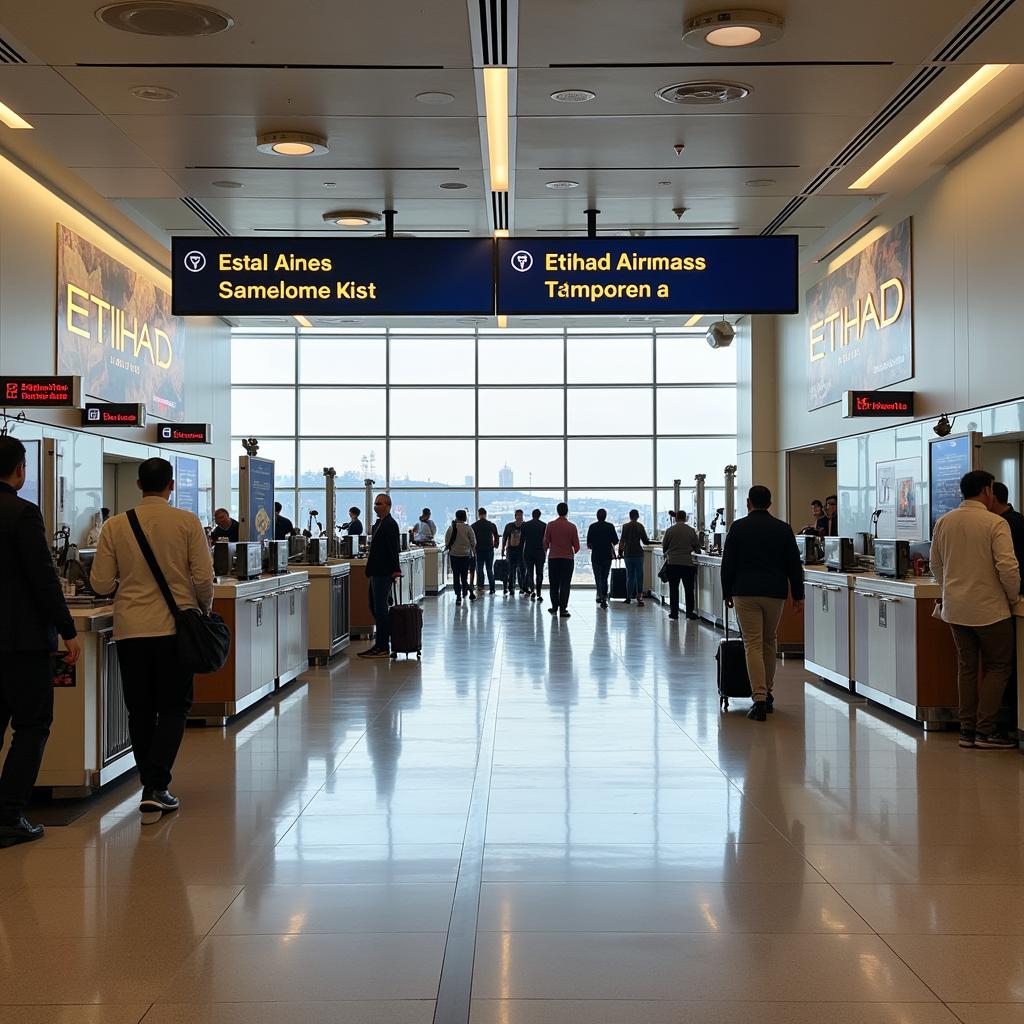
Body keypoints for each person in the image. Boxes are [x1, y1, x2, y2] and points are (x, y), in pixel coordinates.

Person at [90, 458, 213, 820]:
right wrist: (202, 609)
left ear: (139, 484)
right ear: (171, 486)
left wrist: (126, 586)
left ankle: (151, 782)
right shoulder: (187, 522)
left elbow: (99, 583)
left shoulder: (115, 525)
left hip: (131, 630)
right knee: (174, 707)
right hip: (175, 631)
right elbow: (204, 578)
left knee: (139, 709)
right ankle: (156, 786)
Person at [0, 436, 81, 848]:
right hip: (21, 642)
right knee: (32, 726)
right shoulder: (22, 513)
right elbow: (43, 579)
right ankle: (9, 815)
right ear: (19, 471)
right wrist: (68, 631)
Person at [931, 470, 1019, 749]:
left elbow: (935, 564)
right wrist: (1012, 596)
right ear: (986, 490)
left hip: (956, 609)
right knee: (998, 666)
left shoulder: (944, 521)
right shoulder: (995, 523)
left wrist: (949, 587)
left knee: (967, 668)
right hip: (990, 609)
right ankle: (986, 730)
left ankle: (966, 730)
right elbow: (1007, 566)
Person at [720, 485, 805, 722]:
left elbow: (728, 563)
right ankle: (767, 693)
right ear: (769, 503)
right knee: (770, 641)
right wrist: (798, 595)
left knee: (753, 644)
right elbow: (793, 565)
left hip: (745, 592)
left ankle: (758, 698)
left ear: (748, 503)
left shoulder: (737, 527)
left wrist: (726, 591)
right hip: (774, 593)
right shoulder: (783, 529)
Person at [359, 494, 401, 658]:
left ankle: (382, 645)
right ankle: (382, 641)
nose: (376, 506)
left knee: (381, 608)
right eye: (375, 503)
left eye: (379, 503)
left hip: (384, 572)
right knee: (374, 606)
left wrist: (395, 569)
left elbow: (393, 549)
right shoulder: (379, 524)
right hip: (376, 571)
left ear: (388, 505)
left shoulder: (390, 524)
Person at [662, 510, 701, 620]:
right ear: (685, 518)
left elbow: (664, 546)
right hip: (687, 563)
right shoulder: (691, 531)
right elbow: (696, 546)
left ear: (675, 518)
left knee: (673, 588)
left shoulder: (669, 530)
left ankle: (674, 613)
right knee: (689, 589)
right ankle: (690, 613)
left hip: (673, 563)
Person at [544, 501, 580, 618]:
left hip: (553, 558)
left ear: (557, 511)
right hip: (567, 559)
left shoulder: (550, 525)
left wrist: (552, 548)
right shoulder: (572, 527)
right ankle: (563, 609)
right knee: (565, 584)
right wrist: (570, 551)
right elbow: (577, 547)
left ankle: (554, 607)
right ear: (567, 512)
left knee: (554, 584)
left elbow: (545, 543)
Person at [991, 482, 1024, 595]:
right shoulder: (1019, 517)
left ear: (993, 499)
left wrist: (1012, 595)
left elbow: (1007, 565)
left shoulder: (1004, 524)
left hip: (1014, 588)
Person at [586, 509, 619, 610]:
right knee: (605, 576)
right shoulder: (610, 526)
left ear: (597, 516)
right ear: (605, 516)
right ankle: (604, 597)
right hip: (606, 555)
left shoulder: (592, 527)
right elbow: (615, 541)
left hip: (596, 555)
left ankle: (599, 595)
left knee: (598, 576)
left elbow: (589, 543)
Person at [618, 509, 650, 606]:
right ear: (637, 516)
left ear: (630, 516)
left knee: (630, 575)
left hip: (628, 553)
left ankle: (628, 597)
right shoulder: (640, 526)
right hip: (638, 553)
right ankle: (639, 596)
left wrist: (620, 551)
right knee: (639, 575)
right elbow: (645, 541)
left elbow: (622, 540)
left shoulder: (625, 526)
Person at [445, 509, 477, 606]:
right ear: (465, 517)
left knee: (456, 575)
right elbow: (473, 542)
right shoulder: (468, 528)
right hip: (465, 555)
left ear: (456, 516)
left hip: (454, 555)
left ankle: (458, 596)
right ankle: (466, 592)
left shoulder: (451, 528)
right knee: (464, 576)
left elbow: (447, 542)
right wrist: (469, 548)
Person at [472, 508, 499, 596]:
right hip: (489, 550)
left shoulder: (474, 526)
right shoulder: (491, 525)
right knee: (489, 570)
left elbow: (472, 539)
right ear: (486, 514)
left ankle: (480, 587)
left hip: (479, 550)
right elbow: (496, 536)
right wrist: (495, 544)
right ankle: (492, 588)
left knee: (479, 570)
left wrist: (473, 548)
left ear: (478, 514)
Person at [521, 508, 547, 599]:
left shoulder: (525, 525)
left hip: (528, 552)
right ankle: (539, 593)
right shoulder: (544, 525)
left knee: (530, 573)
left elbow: (522, 540)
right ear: (539, 516)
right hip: (540, 552)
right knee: (539, 573)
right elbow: (546, 541)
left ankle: (532, 591)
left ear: (532, 515)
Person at [501, 509, 527, 596]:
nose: (520, 517)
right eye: (518, 515)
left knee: (522, 570)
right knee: (511, 570)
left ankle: (522, 588)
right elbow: (504, 538)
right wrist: (503, 549)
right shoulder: (509, 526)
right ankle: (511, 588)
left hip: (522, 551)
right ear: (515, 516)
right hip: (511, 551)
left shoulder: (525, 526)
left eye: (521, 515)